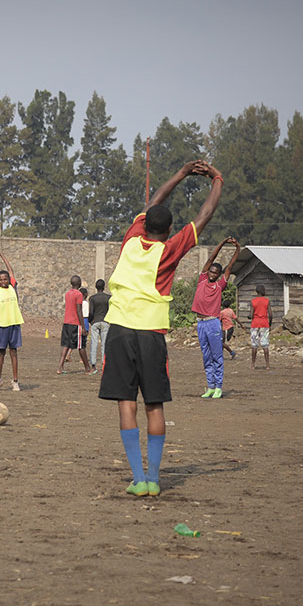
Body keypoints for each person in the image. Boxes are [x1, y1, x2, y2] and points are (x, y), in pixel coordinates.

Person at [99, 159, 224, 497]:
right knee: (155, 406)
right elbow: (205, 215)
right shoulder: (169, 251)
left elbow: (154, 202)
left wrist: (182, 174)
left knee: (127, 403)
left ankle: (138, 479)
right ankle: (154, 480)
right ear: (168, 230)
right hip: (152, 335)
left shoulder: (130, 240)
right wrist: (216, 179)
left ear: (143, 224)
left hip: (120, 331)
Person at [192, 236, 241, 398]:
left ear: (219, 275)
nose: (212, 274)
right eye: (211, 271)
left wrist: (237, 248)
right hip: (200, 323)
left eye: (216, 273)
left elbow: (231, 265)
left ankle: (219, 386)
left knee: (217, 355)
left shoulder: (220, 285)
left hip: (213, 323)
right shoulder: (202, 279)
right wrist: (222, 242)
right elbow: (212, 257)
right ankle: (210, 386)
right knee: (206, 356)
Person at [0, 251, 22, 391]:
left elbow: (10, 270)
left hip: (14, 324)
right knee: (1, 353)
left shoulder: (13, 286)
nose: (3, 281)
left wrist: (1, 255)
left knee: (13, 352)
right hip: (2, 325)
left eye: (5, 279)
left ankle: (15, 381)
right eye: (0, 280)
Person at [58, 276, 92, 374]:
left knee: (66, 345)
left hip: (66, 323)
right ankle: (87, 368)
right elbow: (79, 310)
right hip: (75, 323)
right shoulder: (79, 294)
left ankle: (60, 368)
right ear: (79, 283)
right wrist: (83, 326)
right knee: (81, 345)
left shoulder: (67, 293)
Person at [86, 279, 111, 371]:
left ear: (96, 287)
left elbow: (91, 312)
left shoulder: (92, 298)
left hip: (95, 322)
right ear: (104, 287)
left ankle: (93, 365)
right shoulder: (108, 298)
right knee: (104, 344)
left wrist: (90, 321)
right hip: (105, 322)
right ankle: (104, 364)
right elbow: (110, 310)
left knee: (94, 343)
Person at [249, 285, 271, 369]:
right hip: (264, 324)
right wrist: (270, 324)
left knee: (254, 345)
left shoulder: (253, 301)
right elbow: (271, 314)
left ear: (257, 291)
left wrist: (250, 316)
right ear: (263, 291)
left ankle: (253, 364)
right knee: (265, 345)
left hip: (255, 324)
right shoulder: (267, 301)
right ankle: (267, 365)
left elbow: (251, 315)